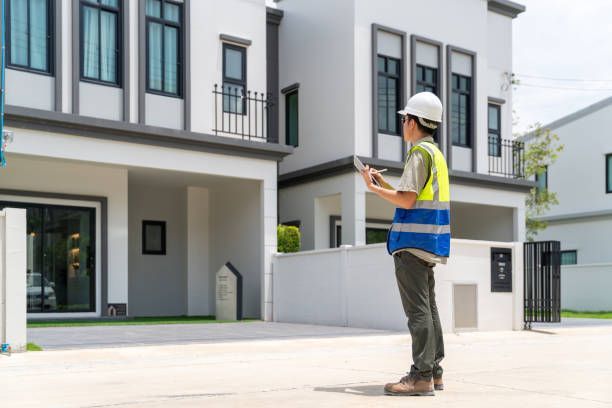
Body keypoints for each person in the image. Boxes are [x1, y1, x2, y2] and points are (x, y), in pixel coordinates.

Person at [360, 91, 450, 397]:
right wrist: (384, 185)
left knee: (418, 312)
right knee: (429, 308)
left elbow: (407, 199)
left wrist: (373, 189)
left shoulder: (417, 153)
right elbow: (410, 195)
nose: (402, 124)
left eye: (404, 118)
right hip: (429, 242)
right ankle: (434, 372)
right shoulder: (435, 154)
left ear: (413, 121)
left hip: (411, 244)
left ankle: (421, 376)